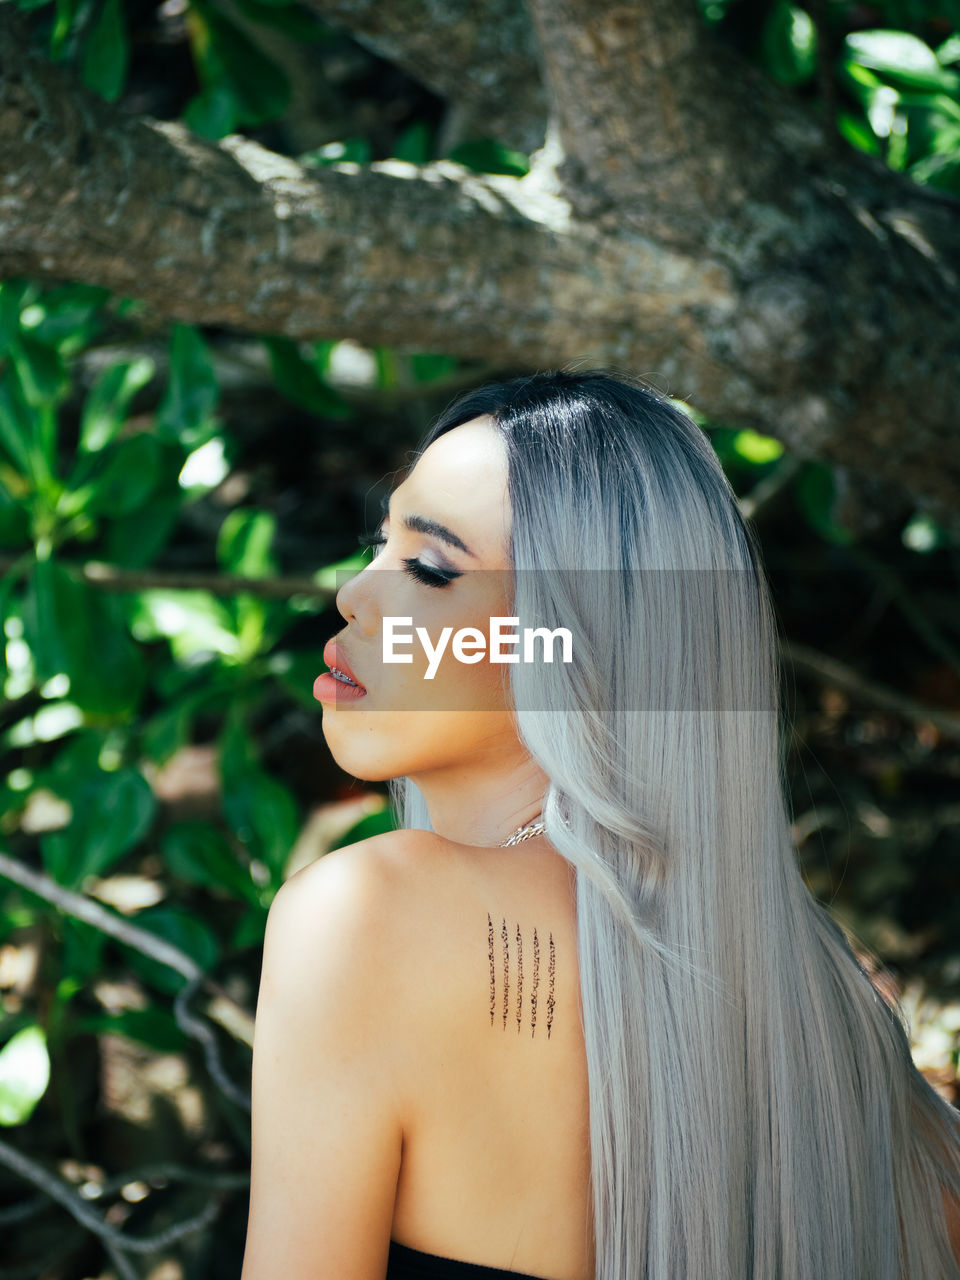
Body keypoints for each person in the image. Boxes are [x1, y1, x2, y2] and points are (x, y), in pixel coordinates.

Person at [240, 369, 960, 1280]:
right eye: (377, 546)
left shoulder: (365, 917)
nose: (355, 593)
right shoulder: (828, 1015)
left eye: (429, 568)